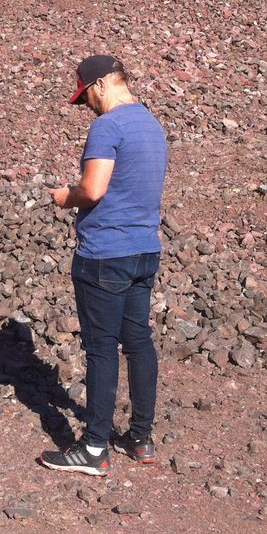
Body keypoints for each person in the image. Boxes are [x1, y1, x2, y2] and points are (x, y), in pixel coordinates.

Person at [39, 54, 168, 477]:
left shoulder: (108, 126)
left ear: (99, 85)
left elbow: (93, 190)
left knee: (101, 349)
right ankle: (141, 438)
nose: (87, 106)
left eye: (85, 97)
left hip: (105, 254)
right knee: (139, 342)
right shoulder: (151, 123)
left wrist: (66, 197)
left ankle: (94, 448)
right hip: (144, 250)